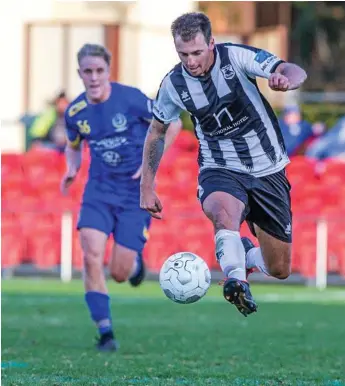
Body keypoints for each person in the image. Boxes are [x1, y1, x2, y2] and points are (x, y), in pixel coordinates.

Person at [140, 12, 307, 317]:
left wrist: (285, 80)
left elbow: (291, 69)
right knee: (223, 213)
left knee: (279, 267)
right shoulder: (174, 84)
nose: (190, 61)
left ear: (212, 43)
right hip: (220, 166)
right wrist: (147, 186)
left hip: (268, 169)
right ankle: (236, 280)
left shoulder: (236, 57)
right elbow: (157, 131)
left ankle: (244, 255)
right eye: (183, 54)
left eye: (197, 53)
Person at [61, 43, 181, 351]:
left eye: (99, 70)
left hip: (134, 195)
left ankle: (135, 266)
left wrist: (150, 162)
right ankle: (105, 332)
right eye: (87, 71)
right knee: (90, 257)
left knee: (118, 272)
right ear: (80, 74)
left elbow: (174, 123)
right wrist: (71, 169)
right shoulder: (75, 112)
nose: (94, 77)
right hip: (98, 192)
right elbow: (73, 146)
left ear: (108, 72)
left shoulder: (130, 98)